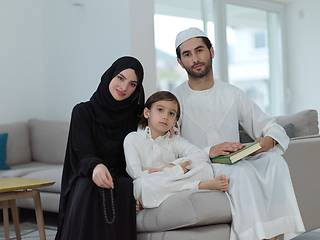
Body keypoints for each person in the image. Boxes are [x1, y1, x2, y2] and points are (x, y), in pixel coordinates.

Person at [172, 27, 305, 240]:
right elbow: (169, 148)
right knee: (242, 172)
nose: (195, 58)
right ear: (180, 62)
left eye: (199, 50)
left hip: (235, 160)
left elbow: (271, 126)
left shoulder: (232, 93)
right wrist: (209, 152)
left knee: (275, 163)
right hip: (200, 167)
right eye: (187, 54)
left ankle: (276, 236)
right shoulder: (173, 99)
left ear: (212, 52)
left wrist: (268, 141)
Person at [55, 56, 145, 240]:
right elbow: (81, 152)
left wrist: (169, 131)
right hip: (88, 174)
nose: (124, 88)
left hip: (121, 179)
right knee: (89, 186)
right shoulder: (83, 112)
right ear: (109, 76)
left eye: (132, 84)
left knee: (124, 186)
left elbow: (149, 145)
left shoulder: (137, 117)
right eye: (120, 78)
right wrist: (96, 166)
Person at [123, 91, 228, 209]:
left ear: (174, 121)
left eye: (171, 113)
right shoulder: (132, 139)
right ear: (147, 113)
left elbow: (201, 155)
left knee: (205, 168)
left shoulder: (175, 140)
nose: (165, 116)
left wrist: (168, 167)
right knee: (141, 185)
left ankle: (155, 199)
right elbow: (137, 174)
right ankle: (199, 186)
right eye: (160, 110)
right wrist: (177, 171)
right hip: (152, 182)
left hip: (172, 180)